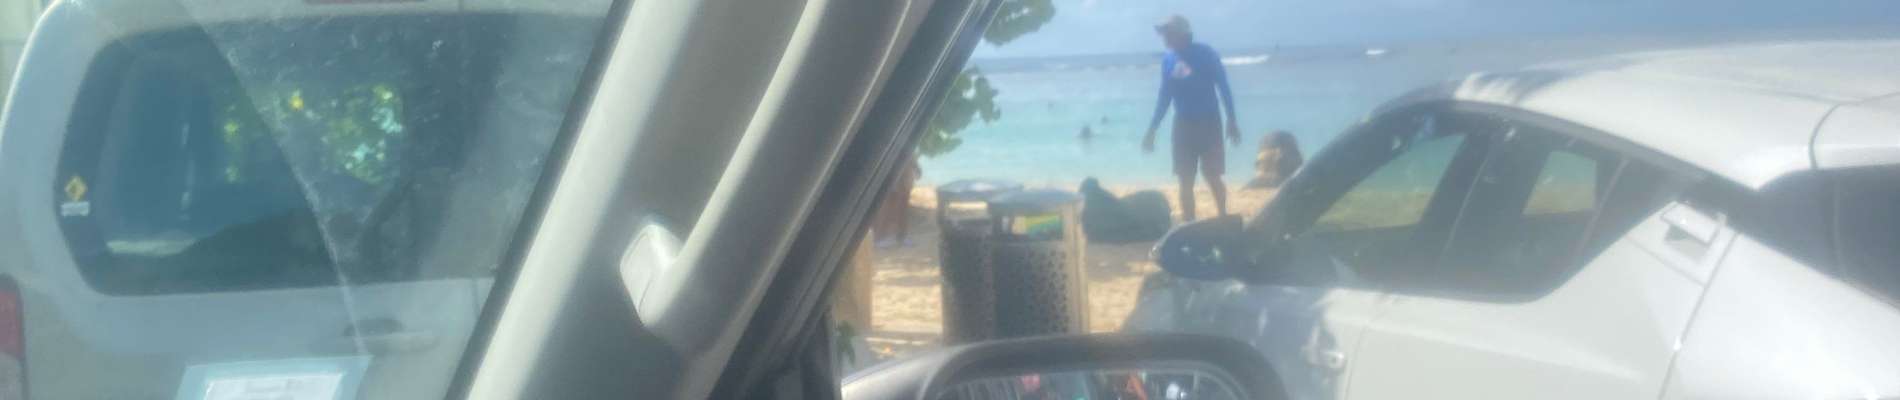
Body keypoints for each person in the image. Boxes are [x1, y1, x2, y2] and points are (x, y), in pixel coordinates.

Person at [1142, 14, 1241, 221]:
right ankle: (1189, 222)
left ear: (1182, 34)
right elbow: (1164, 97)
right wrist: (1152, 128)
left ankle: (1223, 217)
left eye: (1168, 33)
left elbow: (1223, 86)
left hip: (1209, 122)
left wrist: (1231, 119)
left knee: (1212, 175)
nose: (1164, 38)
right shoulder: (1168, 60)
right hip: (1183, 124)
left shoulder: (1206, 54)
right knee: (1185, 179)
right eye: (1163, 34)